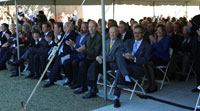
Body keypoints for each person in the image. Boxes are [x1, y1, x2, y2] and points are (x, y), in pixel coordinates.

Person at [113, 25, 151, 108]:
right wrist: (125, 55)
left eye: (139, 33)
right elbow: (118, 52)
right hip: (126, 64)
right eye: (135, 33)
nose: (136, 35)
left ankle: (116, 98)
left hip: (137, 68)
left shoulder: (147, 45)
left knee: (120, 70)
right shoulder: (128, 41)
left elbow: (146, 60)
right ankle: (126, 77)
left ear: (143, 34)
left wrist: (133, 58)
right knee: (120, 56)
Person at [82, 26, 123, 99]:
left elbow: (116, 57)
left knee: (95, 65)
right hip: (105, 63)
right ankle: (93, 88)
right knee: (94, 64)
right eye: (111, 32)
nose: (112, 34)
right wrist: (99, 57)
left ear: (117, 33)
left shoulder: (120, 43)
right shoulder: (106, 42)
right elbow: (101, 53)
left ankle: (92, 87)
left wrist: (104, 58)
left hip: (113, 65)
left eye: (114, 32)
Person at [73, 20, 102, 94]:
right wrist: (81, 49)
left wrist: (84, 49)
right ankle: (83, 86)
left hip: (96, 59)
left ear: (96, 27)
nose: (91, 29)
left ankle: (93, 88)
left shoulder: (99, 38)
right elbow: (86, 47)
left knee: (93, 66)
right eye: (89, 27)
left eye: (92, 27)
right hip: (89, 57)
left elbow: (95, 52)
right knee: (81, 63)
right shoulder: (89, 36)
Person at [145, 24, 170, 93]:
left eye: (160, 30)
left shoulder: (166, 39)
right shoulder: (155, 39)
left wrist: (155, 43)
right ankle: (150, 83)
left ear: (164, 31)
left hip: (163, 59)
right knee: (144, 63)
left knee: (148, 64)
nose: (158, 31)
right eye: (157, 30)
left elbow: (163, 51)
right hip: (155, 58)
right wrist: (151, 42)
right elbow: (151, 50)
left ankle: (153, 85)